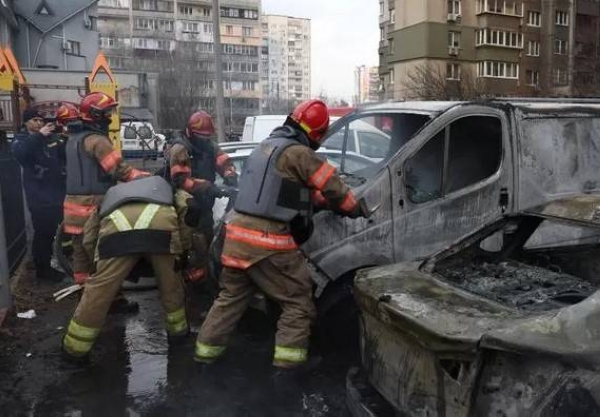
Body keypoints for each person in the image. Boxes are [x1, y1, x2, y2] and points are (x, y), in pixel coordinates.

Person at [194, 99, 370, 373]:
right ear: (316, 133)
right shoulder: (300, 153)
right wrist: (357, 208)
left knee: (229, 299)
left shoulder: (265, 148)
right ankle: (288, 372)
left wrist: (316, 202)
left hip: (235, 236)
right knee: (298, 302)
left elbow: (281, 192)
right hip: (267, 241)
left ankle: (204, 359)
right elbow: (337, 190)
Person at [62, 176, 194, 360]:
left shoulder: (110, 196)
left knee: (98, 293)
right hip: (161, 231)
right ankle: (178, 337)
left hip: (115, 235)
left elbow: (89, 237)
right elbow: (187, 213)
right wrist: (182, 253)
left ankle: (73, 351)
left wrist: (99, 265)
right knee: (171, 287)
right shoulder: (171, 190)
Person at [63, 92, 149, 288]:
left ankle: (84, 290)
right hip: (93, 205)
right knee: (103, 253)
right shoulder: (97, 141)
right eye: (107, 112)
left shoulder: (73, 138)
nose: (110, 116)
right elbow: (119, 170)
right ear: (96, 114)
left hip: (72, 205)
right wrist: (145, 178)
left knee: (80, 251)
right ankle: (112, 299)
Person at [168, 111, 238, 282]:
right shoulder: (180, 149)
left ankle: (202, 270)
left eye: (207, 136)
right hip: (186, 199)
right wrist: (209, 187)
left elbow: (225, 162)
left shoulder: (210, 146)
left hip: (205, 200)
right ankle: (181, 268)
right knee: (191, 235)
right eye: (201, 136)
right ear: (190, 133)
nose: (204, 140)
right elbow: (180, 180)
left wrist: (230, 175)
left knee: (206, 234)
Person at [12, 108, 67, 282]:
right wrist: (39, 136)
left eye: (40, 120)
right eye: (34, 120)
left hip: (57, 193)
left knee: (57, 231)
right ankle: (42, 270)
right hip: (38, 196)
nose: (39, 123)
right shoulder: (21, 140)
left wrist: (64, 136)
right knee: (43, 232)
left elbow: (62, 155)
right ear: (26, 122)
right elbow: (21, 154)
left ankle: (59, 261)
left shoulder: (51, 138)